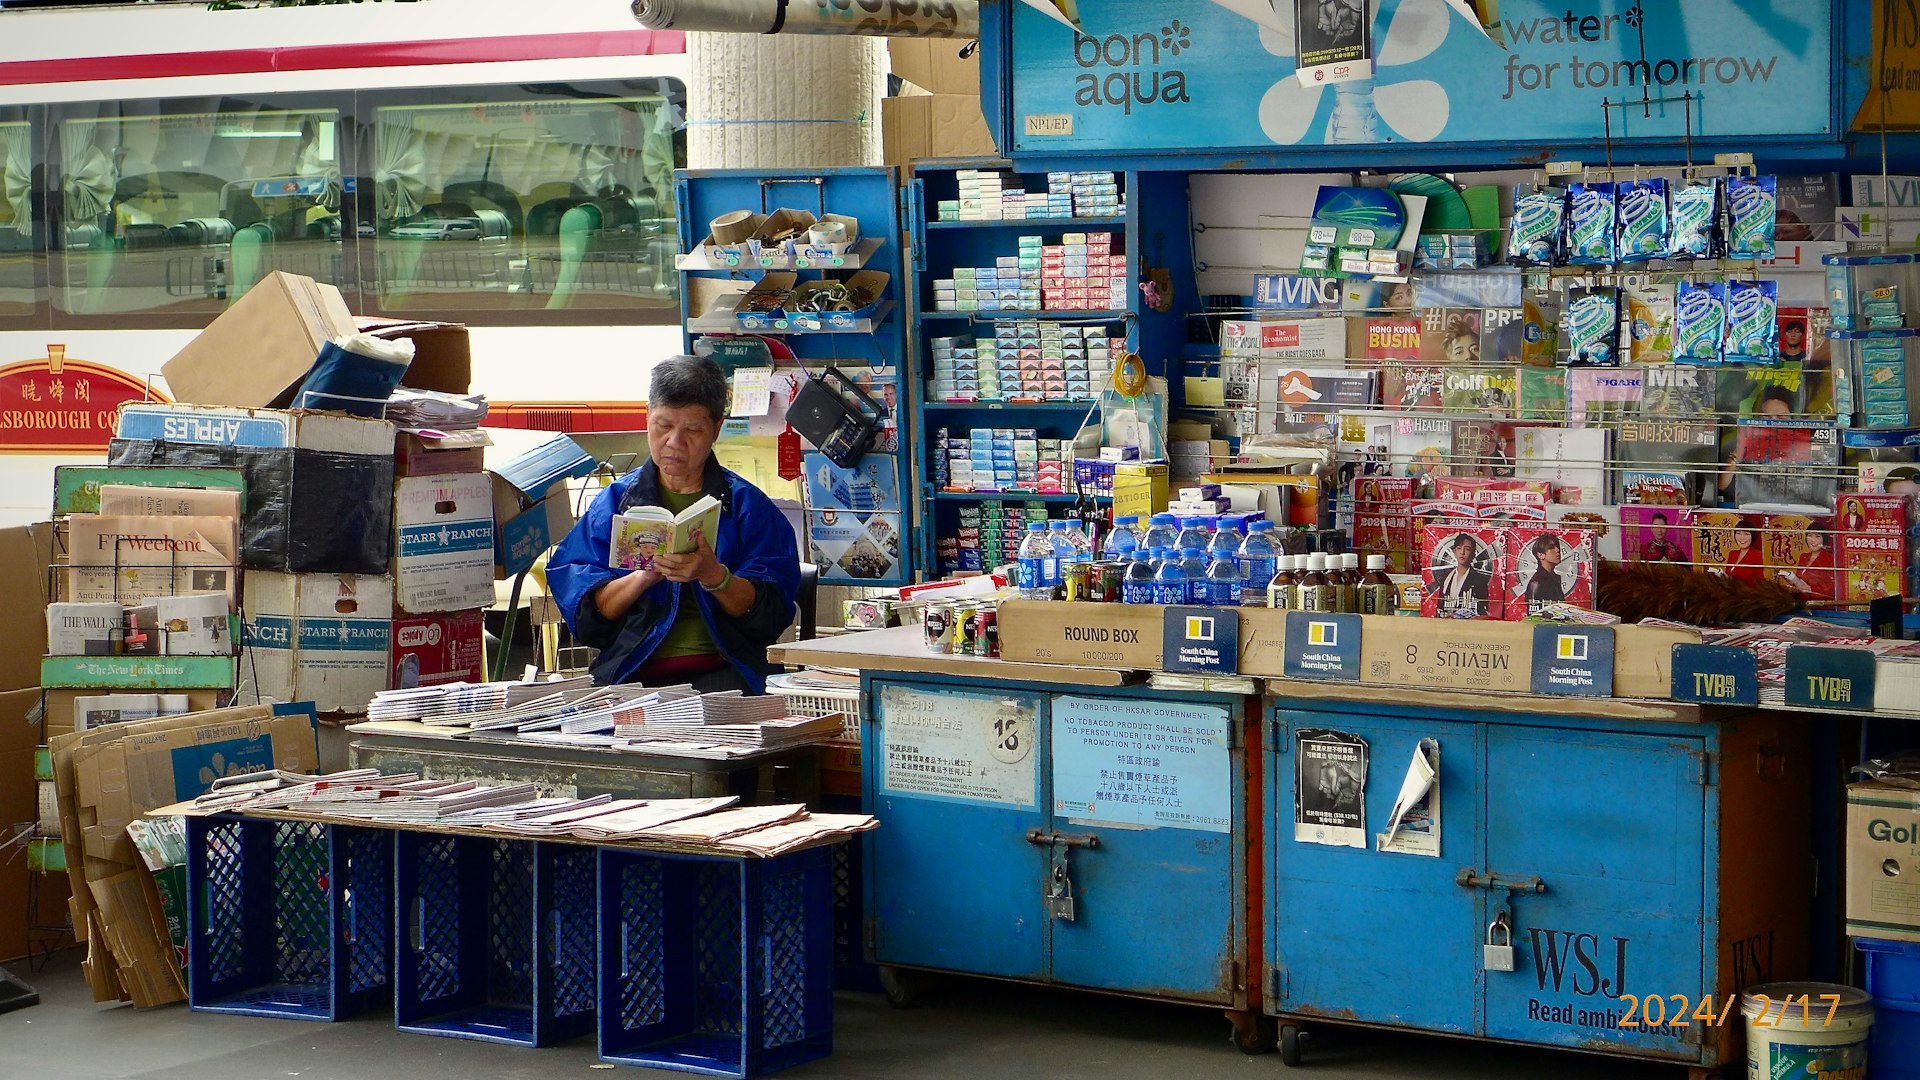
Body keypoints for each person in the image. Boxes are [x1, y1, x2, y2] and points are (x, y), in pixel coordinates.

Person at [548, 355, 801, 693]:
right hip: (632, 670)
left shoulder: (746, 506)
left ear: (716, 430)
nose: (674, 442)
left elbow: (771, 616)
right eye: (663, 425)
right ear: (647, 418)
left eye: (693, 430)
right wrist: (643, 576)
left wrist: (715, 576)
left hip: (724, 670)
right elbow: (586, 619)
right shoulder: (614, 504)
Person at [1435, 532, 1490, 618]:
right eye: (1459, 548)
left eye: (1467, 549)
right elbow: (1440, 607)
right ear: (1454, 551)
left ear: (1473, 554)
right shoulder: (1446, 578)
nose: (1462, 552)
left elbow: (1483, 611)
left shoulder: (1479, 580)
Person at [1520, 534, 1567, 609]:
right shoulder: (1536, 583)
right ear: (1540, 555)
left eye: (1557, 547)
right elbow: (1533, 615)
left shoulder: (1554, 579)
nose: (1557, 550)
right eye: (1551, 547)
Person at [1721, 518, 1768, 584]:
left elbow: (1760, 581)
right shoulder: (1732, 554)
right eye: (1738, 533)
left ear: (1752, 536)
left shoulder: (1757, 555)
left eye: (1746, 534)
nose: (1742, 537)